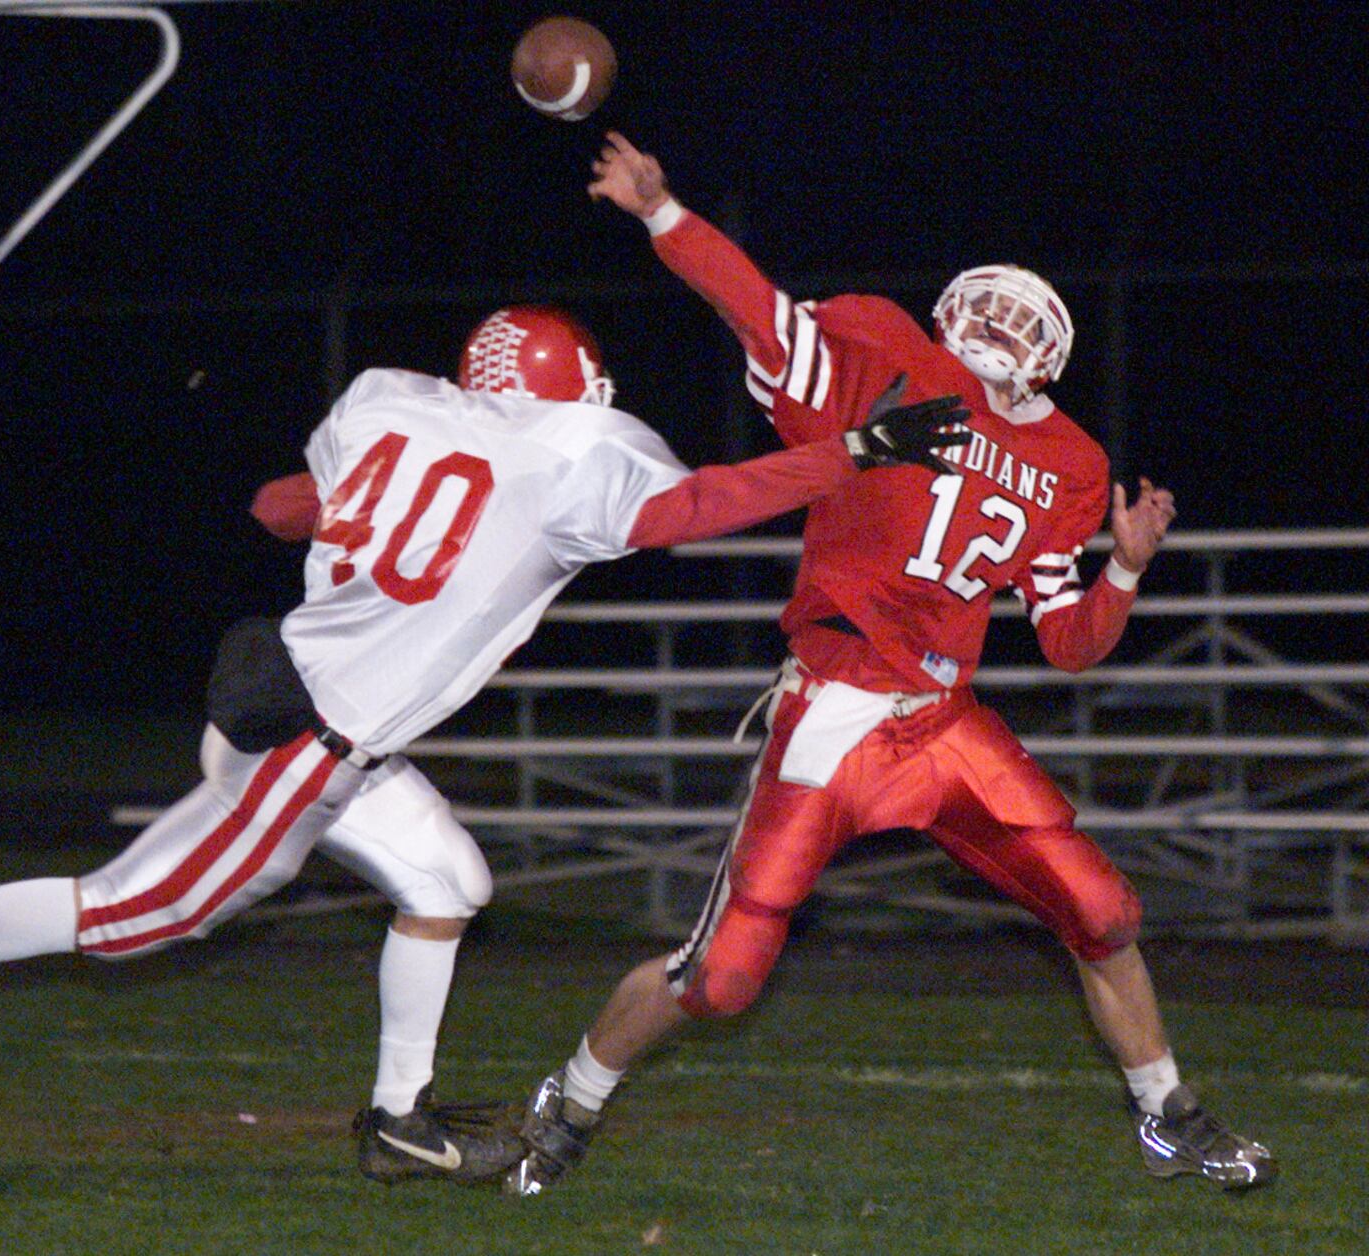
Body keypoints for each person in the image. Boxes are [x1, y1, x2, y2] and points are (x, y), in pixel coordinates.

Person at [0, 303, 969, 1187]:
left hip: (311, 706)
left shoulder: (384, 399)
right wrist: (854, 453)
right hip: (314, 739)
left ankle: (397, 1117)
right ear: (573, 386)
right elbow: (692, 507)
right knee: (140, 914)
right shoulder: (570, 452)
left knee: (450, 880)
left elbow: (274, 508)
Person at [511, 135, 1276, 1195]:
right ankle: (573, 1095)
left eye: (1028, 315)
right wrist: (662, 213)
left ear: (1052, 355)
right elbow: (763, 313)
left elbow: (1067, 644)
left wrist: (1128, 571)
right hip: (834, 701)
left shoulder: (1072, 463)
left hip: (944, 719)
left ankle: (1167, 1113)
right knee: (723, 978)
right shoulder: (885, 349)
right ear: (956, 309)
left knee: (1102, 913)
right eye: (993, 305)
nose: (1005, 324)